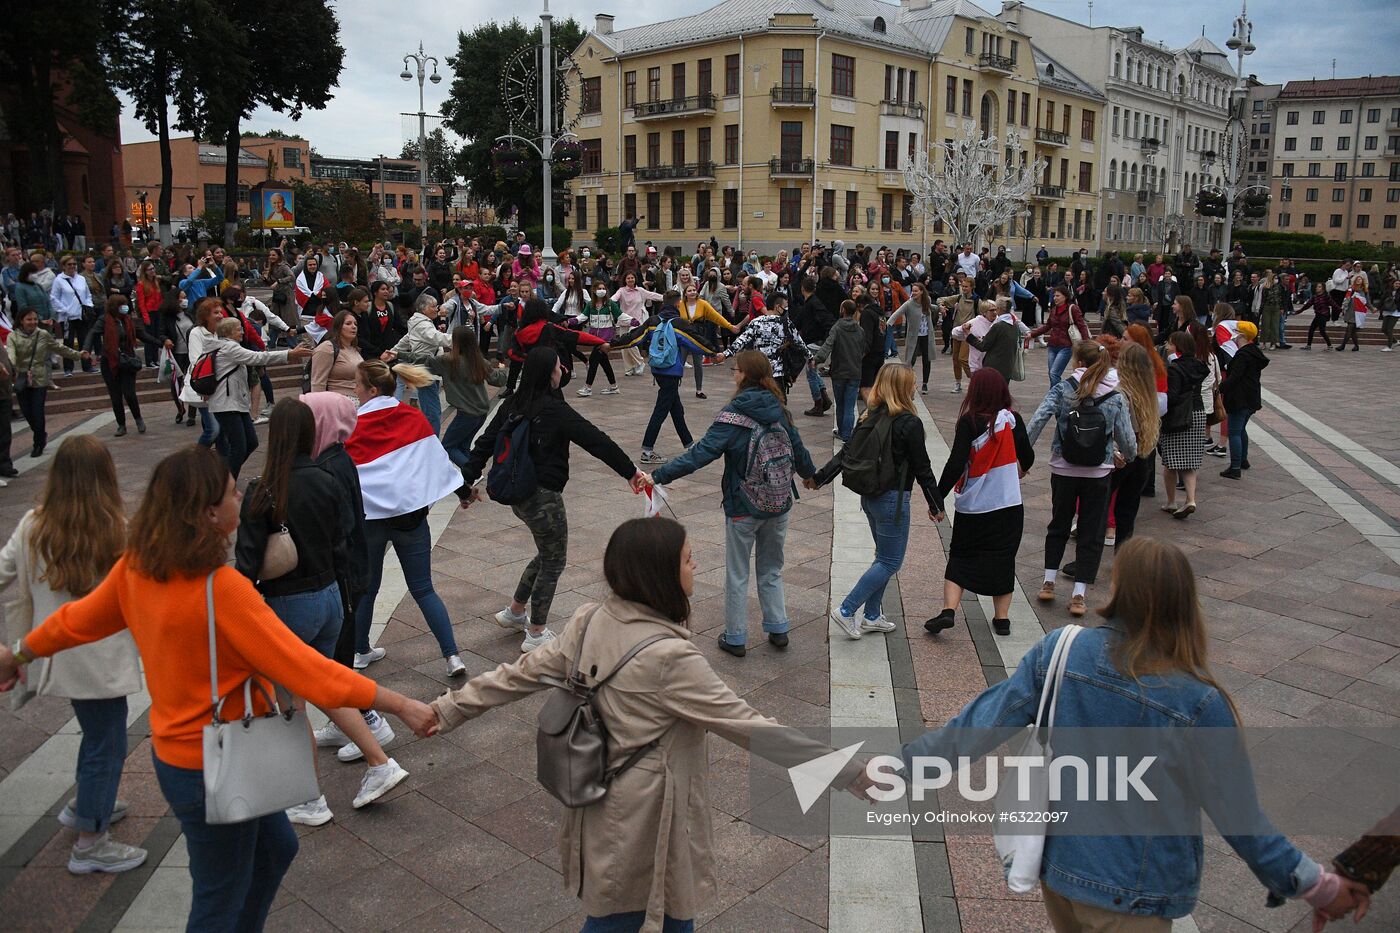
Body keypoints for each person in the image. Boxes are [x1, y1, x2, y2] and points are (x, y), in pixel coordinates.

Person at [0, 446, 437, 933]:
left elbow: (74, 622)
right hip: (215, 761)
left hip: (201, 756)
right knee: (218, 896)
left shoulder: (138, 569)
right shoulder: (222, 590)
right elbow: (310, 671)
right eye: (232, 493)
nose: (240, 500)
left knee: (277, 848)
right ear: (209, 514)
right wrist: (400, 705)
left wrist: (18, 653)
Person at [899, 537, 1371, 933]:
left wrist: (892, 770)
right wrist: (1317, 886)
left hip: (1060, 875)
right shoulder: (1198, 701)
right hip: (1134, 896)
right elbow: (1240, 816)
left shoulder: (1061, 651)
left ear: (1120, 588)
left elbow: (977, 725)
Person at [425, 517, 867, 932]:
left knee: (652, 911)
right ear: (660, 573)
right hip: (649, 813)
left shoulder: (590, 617)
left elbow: (520, 674)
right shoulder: (671, 659)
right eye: (688, 558)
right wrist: (850, 771)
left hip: (599, 791)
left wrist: (447, 709)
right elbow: (752, 728)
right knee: (630, 913)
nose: (696, 565)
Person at [235, 399, 409, 825]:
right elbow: (345, 538)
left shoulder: (264, 489)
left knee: (290, 702)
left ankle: (309, 799)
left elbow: (246, 561)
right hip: (332, 595)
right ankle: (378, 760)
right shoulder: (327, 478)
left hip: (287, 603)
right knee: (324, 684)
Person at [0, 436, 145, 873]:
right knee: (109, 743)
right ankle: (90, 841)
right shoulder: (116, 528)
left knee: (98, 735)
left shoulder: (33, 525)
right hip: (101, 662)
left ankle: (87, 803)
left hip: (56, 653)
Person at [462, 347, 648, 652]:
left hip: (517, 495)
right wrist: (629, 471)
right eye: (560, 366)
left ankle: (515, 612)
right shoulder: (552, 409)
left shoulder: (513, 402)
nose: (563, 370)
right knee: (554, 559)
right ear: (551, 373)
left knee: (546, 552)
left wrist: (465, 482)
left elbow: (483, 444)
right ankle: (536, 633)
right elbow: (594, 439)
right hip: (542, 497)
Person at [650, 352, 818, 657]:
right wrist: (810, 476)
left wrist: (659, 475)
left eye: (735, 370)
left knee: (738, 572)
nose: (733, 374)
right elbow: (798, 448)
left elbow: (700, 454)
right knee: (771, 568)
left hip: (744, 504)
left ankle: (736, 637)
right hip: (779, 501)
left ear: (745, 375)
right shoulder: (778, 409)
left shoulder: (733, 415)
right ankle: (778, 627)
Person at [347, 360, 471, 676]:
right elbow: (438, 461)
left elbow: (346, 470)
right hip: (411, 519)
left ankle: (360, 652)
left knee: (367, 589)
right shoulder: (412, 417)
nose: (354, 389)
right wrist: (464, 492)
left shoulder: (352, 424)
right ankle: (452, 656)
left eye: (357, 384)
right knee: (424, 589)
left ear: (371, 390)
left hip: (370, 520)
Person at [811, 364, 944, 640]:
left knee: (882, 557)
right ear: (902, 388)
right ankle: (847, 610)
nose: (915, 388)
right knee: (890, 561)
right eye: (912, 383)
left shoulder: (868, 415)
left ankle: (872, 616)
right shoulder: (909, 422)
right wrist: (936, 504)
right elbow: (923, 468)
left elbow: (846, 453)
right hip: (892, 501)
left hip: (870, 498)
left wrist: (820, 477)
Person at [1026, 341, 1137, 617]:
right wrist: (1125, 456)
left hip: (1063, 468)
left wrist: (1023, 456)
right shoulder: (1115, 395)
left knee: (1058, 524)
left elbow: (1038, 419)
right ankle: (1078, 596)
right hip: (1098, 472)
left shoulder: (1063, 389)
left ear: (1077, 362)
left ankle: (1048, 581)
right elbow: (1128, 439)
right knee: (1091, 531)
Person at [925, 368, 1033, 637]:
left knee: (961, 555)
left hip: (974, 507)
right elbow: (1028, 457)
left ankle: (949, 610)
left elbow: (955, 464)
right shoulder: (1013, 420)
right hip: (1008, 505)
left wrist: (936, 500)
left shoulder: (969, 422)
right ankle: (1002, 619)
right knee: (1003, 558)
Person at [613, 292, 718, 464]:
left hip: (657, 370)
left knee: (676, 409)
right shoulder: (679, 323)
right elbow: (696, 341)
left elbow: (634, 337)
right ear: (678, 305)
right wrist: (713, 353)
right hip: (672, 371)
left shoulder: (653, 321)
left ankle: (690, 445)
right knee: (661, 410)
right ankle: (647, 450)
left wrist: (613, 344)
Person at [204, 317, 308, 477]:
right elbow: (257, 357)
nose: (243, 331)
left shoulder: (228, 347)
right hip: (226, 403)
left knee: (251, 442)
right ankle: (225, 481)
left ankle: (225, 474)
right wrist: (289, 353)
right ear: (229, 332)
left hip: (236, 403)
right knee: (239, 446)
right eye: (239, 329)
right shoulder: (229, 348)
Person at [83, 294, 170, 438]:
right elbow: (92, 333)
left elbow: (142, 335)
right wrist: (86, 348)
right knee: (115, 395)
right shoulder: (104, 320)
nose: (125, 307)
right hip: (110, 361)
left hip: (128, 360)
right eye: (121, 305)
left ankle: (138, 419)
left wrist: (161, 343)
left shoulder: (128, 320)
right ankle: (121, 425)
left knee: (129, 393)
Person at [6, 307, 88, 458]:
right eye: (29, 319)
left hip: (40, 379)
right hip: (22, 379)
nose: (32, 322)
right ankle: (40, 432)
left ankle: (38, 443)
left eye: (35, 319)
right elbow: (10, 354)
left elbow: (59, 348)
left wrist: (78, 355)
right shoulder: (13, 336)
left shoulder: (43, 334)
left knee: (37, 412)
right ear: (21, 321)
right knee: (27, 413)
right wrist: (9, 367)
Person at [428, 325, 508, 467]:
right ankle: (470, 479)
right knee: (463, 447)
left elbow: (424, 360)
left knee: (448, 447)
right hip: (481, 413)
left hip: (466, 414)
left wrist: (399, 355)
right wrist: (502, 369)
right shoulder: (479, 361)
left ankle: (471, 473)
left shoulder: (449, 361)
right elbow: (499, 380)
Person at [382, 291, 452, 434]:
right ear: (423, 308)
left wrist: (393, 351)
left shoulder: (418, 322)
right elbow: (436, 338)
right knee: (433, 412)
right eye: (433, 306)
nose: (436, 309)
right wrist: (462, 338)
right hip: (426, 370)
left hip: (428, 369)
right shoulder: (422, 324)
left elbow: (407, 339)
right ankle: (432, 443)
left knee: (430, 409)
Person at [1161, 331, 1208, 518]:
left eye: (1170, 343)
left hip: (1178, 416)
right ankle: (1190, 499)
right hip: (1197, 412)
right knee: (1190, 461)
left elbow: (1172, 397)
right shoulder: (1200, 365)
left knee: (1170, 461)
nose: (1166, 346)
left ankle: (1171, 501)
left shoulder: (1174, 368)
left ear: (1177, 346)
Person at [812, 299, 868, 441]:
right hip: (855, 370)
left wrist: (817, 360)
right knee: (850, 405)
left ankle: (842, 431)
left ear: (842, 310)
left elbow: (827, 346)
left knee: (840, 404)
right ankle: (847, 435)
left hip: (839, 370)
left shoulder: (837, 328)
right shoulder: (860, 330)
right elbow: (864, 349)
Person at [1219, 321, 1267, 480]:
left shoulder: (1242, 355)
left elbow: (1234, 377)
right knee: (1241, 429)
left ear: (1242, 335)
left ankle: (1235, 466)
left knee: (1234, 432)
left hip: (1240, 398)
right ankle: (1243, 460)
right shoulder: (1254, 352)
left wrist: (1220, 388)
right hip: (1251, 397)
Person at [1028, 284, 1092, 388]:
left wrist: (1086, 342)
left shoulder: (1073, 308)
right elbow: (1048, 326)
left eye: (1057, 296)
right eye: (1054, 296)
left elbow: (1082, 326)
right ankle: (1058, 394)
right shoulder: (1054, 310)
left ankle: (1054, 396)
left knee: (1054, 373)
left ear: (1065, 296)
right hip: (1052, 345)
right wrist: (1032, 334)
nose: (1055, 298)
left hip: (1066, 346)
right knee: (1052, 374)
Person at [575, 282, 624, 397]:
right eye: (599, 288)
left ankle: (588, 387)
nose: (601, 290)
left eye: (603, 288)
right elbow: (583, 316)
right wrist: (572, 321)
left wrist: (632, 321)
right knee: (604, 361)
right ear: (594, 290)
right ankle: (614, 386)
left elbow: (621, 316)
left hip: (606, 339)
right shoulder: (591, 305)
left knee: (593, 360)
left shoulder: (610, 304)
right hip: (595, 339)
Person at [887, 282, 934, 392]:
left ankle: (925, 383)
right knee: (910, 360)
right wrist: (888, 324)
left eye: (916, 291)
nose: (914, 293)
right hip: (914, 336)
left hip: (927, 335)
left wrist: (940, 308)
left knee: (927, 359)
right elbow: (897, 313)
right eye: (913, 290)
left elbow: (932, 308)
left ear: (922, 291)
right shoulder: (909, 304)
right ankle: (907, 382)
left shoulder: (927, 301)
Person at [309, 309, 364, 396]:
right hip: (338, 400)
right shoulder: (327, 348)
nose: (354, 327)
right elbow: (318, 384)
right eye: (348, 323)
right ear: (338, 327)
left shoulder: (354, 349)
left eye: (355, 324)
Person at [1299, 282, 1337, 350]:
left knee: (1322, 331)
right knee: (1311, 329)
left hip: (1323, 315)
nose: (1317, 288)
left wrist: (1341, 310)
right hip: (1318, 315)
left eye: (1319, 287)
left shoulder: (1326, 296)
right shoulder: (1315, 296)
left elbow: (1334, 304)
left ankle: (1330, 346)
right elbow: (1308, 305)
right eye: (1317, 287)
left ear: (1323, 288)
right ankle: (1308, 345)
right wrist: (1299, 311)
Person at [1337, 274, 1368, 353]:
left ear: (1362, 281)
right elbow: (1346, 299)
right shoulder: (1351, 289)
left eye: (1360, 279)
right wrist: (1343, 308)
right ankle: (1356, 346)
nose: (1358, 280)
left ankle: (1343, 345)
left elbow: (1368, 301)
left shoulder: (1365, 291)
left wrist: (1372, 308)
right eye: (1357, 279)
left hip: (1359, 312)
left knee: (1350, 329)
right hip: (1351, 311)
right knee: (1352, 331)